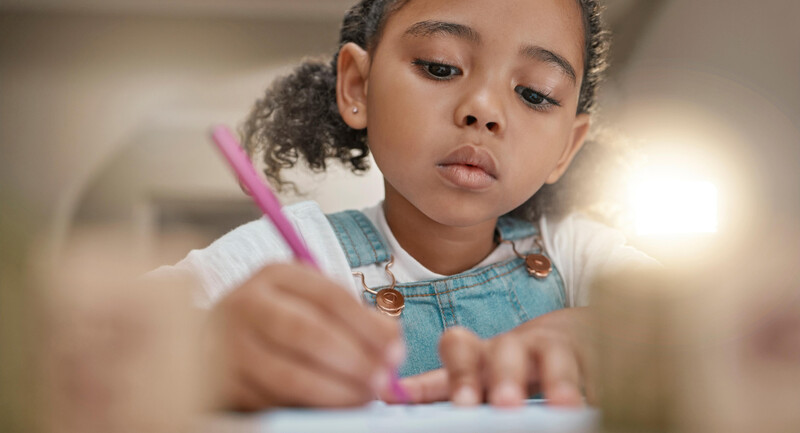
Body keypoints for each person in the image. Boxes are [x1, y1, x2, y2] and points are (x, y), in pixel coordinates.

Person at [156, 0, 656, 411]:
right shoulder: (291, 254)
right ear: (358, 87)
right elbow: (103, 345)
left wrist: (612, 334)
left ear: (567, 148)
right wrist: (207, 354)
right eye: (440, 66)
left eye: (535, 93)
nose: (484, 109)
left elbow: (700, 329)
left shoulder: (577, 252)